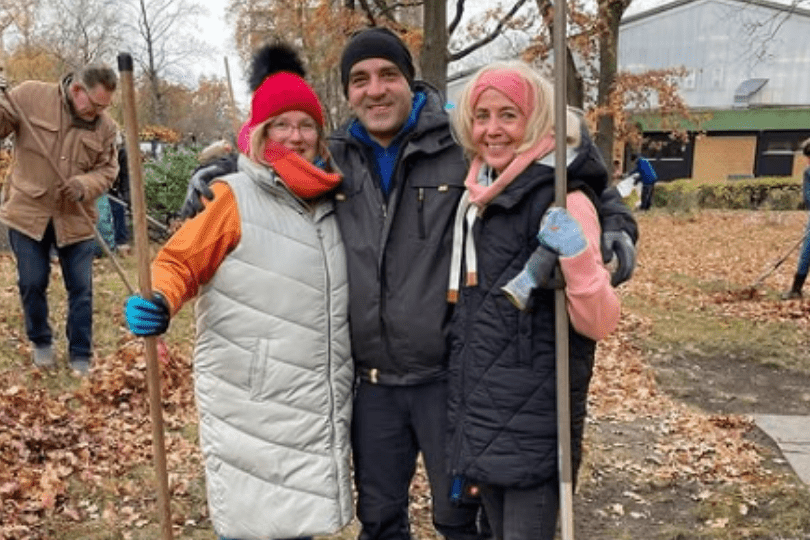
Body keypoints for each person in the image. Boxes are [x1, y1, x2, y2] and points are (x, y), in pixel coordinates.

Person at [178, 27, 638, 540]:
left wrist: (615, 224)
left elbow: (566, 170)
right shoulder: (334, 157)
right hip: (372, 383)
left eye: (387, 75)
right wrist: (222, 172)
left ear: (409, 81)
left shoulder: (460, 143)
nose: (375, 90)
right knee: (379, 520)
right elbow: (272, 161)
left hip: (447, 377)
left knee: (459, 518)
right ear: (348, 93)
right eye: (360, 80)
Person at [124, 43, 353, 540]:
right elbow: (179, 261)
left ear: (320, 133)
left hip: (312, 400)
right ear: (261, 132)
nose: (295, 136)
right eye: (281, 124)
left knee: (298, 520)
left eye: (306, 125)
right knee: (253, 521)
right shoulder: (233, 197)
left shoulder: (332, 200)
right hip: (253, 399)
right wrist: (160, 298)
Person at [445, 61, 621, 540]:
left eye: (509, 115)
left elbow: (600, 321)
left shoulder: (563, 198)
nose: (492, 129)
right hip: (485, 418)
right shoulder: (477, 197)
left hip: (537, 427)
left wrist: (578, 258)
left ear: (537, 120)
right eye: (482, 116)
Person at [0, 64, 119, 374]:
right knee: (32, 282)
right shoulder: (29, 96)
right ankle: (41, 342)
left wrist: (84, 184)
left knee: (81, 290)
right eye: (95, 105)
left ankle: (80, 353)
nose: (99, 113)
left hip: (76, 218)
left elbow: (108, 170)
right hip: (29, 211)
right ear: (77, 90)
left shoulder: (106, 127)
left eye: (104, 107)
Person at [782, 138, 810, 299]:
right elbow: (807, 197)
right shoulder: (808, 172)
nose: (808, 161)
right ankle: (796, 289)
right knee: (807, 251)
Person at [110, 136, 131, 255]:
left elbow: (125, 177)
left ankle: (121, 241)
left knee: (119, 207)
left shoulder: (122, 155)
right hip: (96, 189)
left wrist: (127, 197)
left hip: (113, 190)